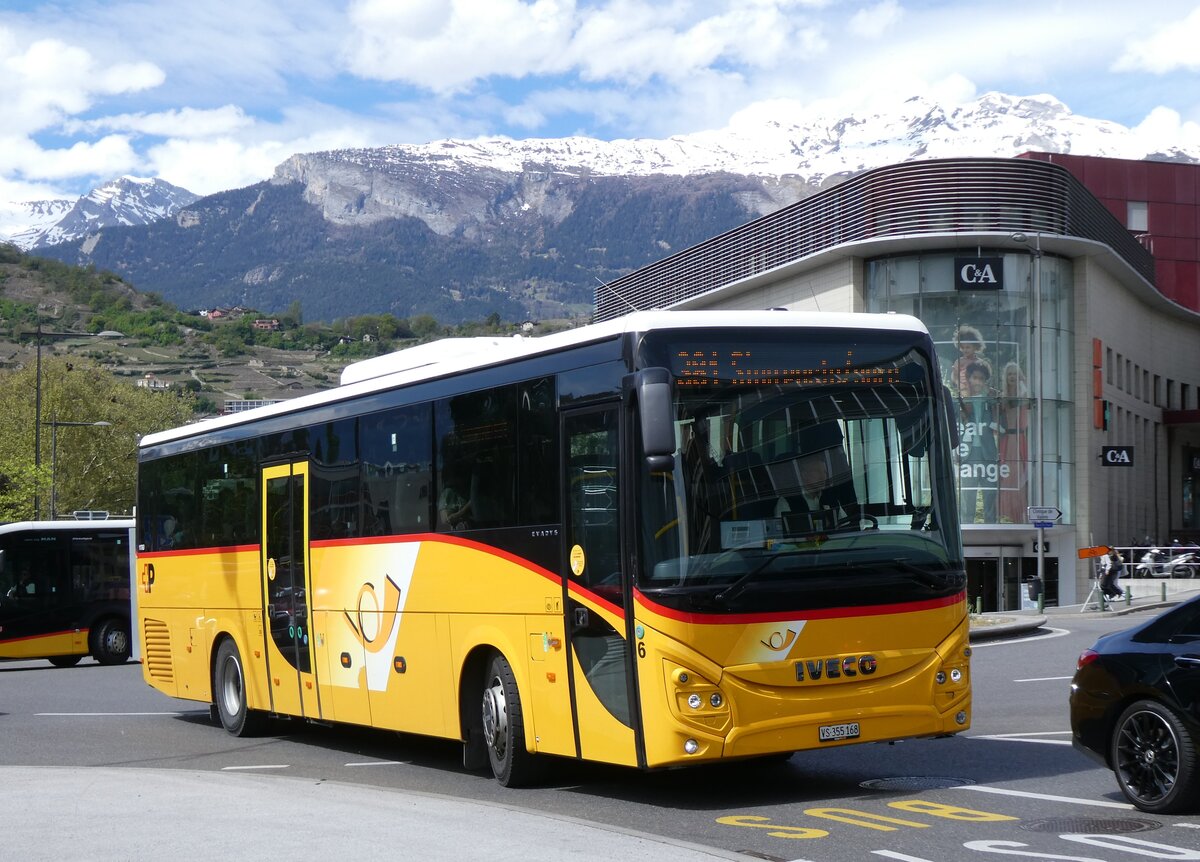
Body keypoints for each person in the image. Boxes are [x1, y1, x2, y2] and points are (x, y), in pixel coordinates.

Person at [957, 359, 999, 524]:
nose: (977, 382)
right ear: (968, 378)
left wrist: (995, 404)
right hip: (968, 456)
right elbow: (957, 428)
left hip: (988, 454)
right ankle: (965, 528)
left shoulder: (990, 401)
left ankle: (992, 527)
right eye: (974, 377)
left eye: (981, 378)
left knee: (990, 495)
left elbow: (999, 427)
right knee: (968, 496)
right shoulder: (961, 401)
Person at [997, 361, 1029, 523]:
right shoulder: (1001, 397)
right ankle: (1006, 514)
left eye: (1015, 374)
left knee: (1018, 478)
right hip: (1005, 440)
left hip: (1018, 440)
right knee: (1006, 478)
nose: (1012, 377)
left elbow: (1025, 422)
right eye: (1009, 374)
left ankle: (1018, 516)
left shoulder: (1024, 396)